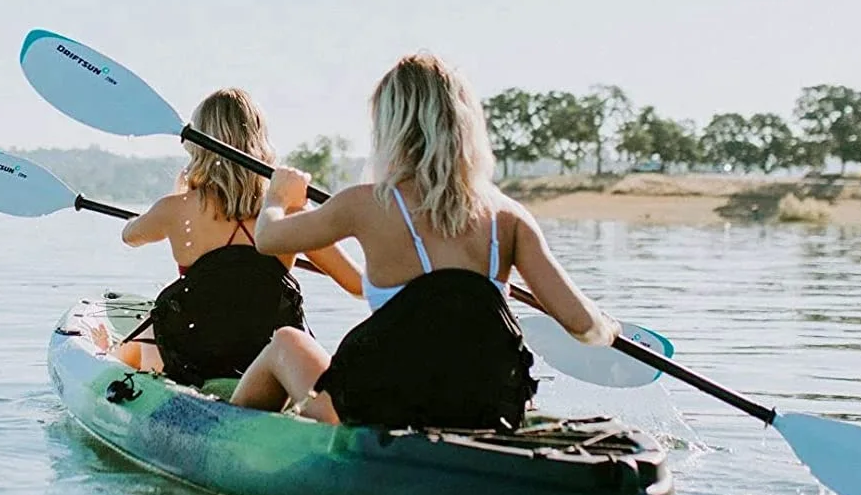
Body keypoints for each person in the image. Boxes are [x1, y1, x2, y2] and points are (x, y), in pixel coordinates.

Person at [231, 53, 619, 430]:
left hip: (384, 406)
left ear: (390, 128)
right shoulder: (509, 218)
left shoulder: (366, 204)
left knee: (285, 342)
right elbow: (584, 326)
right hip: (486, 407)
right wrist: (611, 329)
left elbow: (267, 239)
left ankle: (229, 442)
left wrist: (279, 198)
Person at [110, 88, 361, 386]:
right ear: (260, 143)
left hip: (193, 359)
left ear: (197, 147)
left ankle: (111, 359)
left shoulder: (174, 210)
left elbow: (130, 236)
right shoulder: (288, 211)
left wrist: (159, 210)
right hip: (263, 359)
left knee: (148, 330)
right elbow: (358, 285)